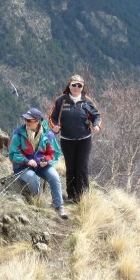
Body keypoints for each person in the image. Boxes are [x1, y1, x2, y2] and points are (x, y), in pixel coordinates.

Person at [48, 74, 102, 204]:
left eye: (79, 85)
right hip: (67, 140)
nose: (76, 87)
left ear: (83, 87)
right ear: (69, 85)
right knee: (70, 168)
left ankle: (83, 197)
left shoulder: (87, 101)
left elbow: (97, 116)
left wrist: (97, 126)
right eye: (74, 85)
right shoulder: (61, 100)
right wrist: (54, 127)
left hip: (84, 139)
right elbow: (52, 117)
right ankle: (72, 196)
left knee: (82, 167)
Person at [8, 107, 68, 219]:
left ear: (38, 121)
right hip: (22, 166)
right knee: (32, 178)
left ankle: (59, 206)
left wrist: (46, 160)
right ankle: (37, 201)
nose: (26, 122)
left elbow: (54, 153)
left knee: (55, 177)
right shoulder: (18, 134)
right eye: (25, 119)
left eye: (29, 120)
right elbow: (13, 153)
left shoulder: (48, 135)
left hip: (41, 166)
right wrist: (26, 161)